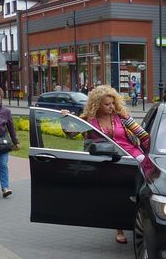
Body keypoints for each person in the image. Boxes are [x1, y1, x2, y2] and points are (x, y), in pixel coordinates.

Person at [63, 85, 149, 244]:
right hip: (107, 161)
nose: (111, 107)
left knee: (138, 192)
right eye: (107, 104)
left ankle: (142, 222)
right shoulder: (89, 119)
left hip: (131, 158)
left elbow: (143, 135)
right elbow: (71, 133)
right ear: (97, 104)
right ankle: (119, 229)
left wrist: (156, 150)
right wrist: (66, 118)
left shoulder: (122, 116)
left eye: (112, 103)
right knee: (116, 194)